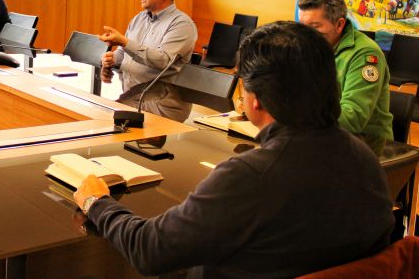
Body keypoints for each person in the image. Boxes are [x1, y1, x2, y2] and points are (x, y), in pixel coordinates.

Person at [75, 22, 393, 278]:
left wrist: (97, 202)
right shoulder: (364, 158)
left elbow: (149, 251)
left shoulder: (251, 176)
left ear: (254, 100)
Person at [298, 0, 392, 153]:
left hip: (364, 142)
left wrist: (297, 117)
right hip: (322, 132)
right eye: (302, 27)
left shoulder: (365, 54)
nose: (305, 35)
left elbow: (353, 118)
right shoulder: (315, 46)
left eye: (314, 27)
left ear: (339, 24)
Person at [99, 0, 197, 122]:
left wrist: (124, 42)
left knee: (102, 119)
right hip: (132, 96)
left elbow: (162, 61)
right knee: (91, 111)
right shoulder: (139, 18)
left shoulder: (182, 24)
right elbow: (123, 53)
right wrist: (111, 61)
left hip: (161, 103)